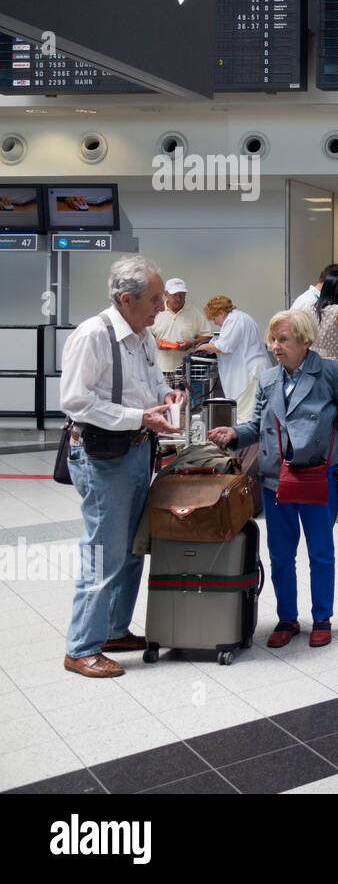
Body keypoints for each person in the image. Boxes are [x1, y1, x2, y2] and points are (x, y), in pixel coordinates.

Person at [209, 310, 338, 649]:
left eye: (283, 339)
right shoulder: (269, 379)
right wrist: (234, 433)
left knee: (321, 552)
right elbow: (257, 426)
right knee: (281, 553)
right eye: (273, 339)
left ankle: (322, 617)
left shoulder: (329, 373)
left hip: (318, 475)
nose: (275, 346)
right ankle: (287, 618)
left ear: (306, 341)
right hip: (275, 478)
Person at [60, 257, 186, 678]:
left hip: (136, 452)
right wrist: (139, 418)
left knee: (133, 547)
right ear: (126, 299)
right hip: (102, 456)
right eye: (154, 299)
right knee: (103, 550)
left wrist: (169, 397)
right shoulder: (93, 336)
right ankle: (81, 648)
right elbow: (76, 402)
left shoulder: (143, 336)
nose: (162, 306)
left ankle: (114, 630)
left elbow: (153, 387)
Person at [197, 296, 271, 424]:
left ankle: (246, 444)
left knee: (246, 417)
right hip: (251, 372)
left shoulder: (234, 320)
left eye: (214, 318)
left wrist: (203, 346)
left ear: (221, 312)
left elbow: (224, 347)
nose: (215, 323)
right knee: (252, 415)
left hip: (248, 375)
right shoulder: (240, 318)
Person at [151, 278, 211, 378]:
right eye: (175, 296)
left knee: (186, 394)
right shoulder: (155, 311)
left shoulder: (194, 313)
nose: (179, 299)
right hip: (158, 370)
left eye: (182, 296)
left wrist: (191, 343)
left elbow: (208, 337)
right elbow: (143, 333)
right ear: (166, 294)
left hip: (187, 371)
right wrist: (155, 342)